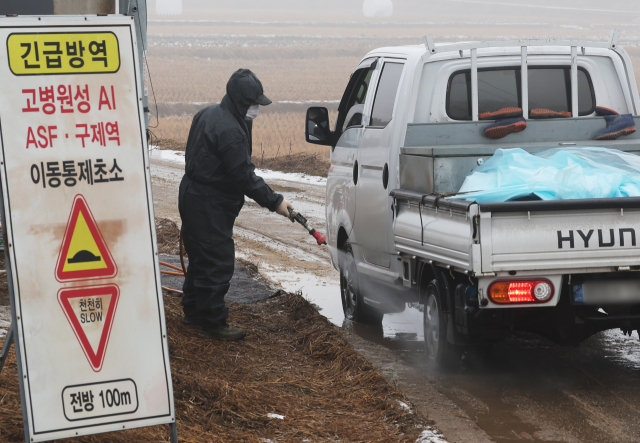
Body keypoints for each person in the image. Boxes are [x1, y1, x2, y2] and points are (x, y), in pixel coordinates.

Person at [178, 69, 294, 341]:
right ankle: (212, 322)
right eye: (253, 104)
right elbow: (244, 177)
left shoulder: (208, 113)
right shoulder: (230, 130)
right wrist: (276, 202)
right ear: (242, 102)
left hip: (193, 194)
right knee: (216, 260)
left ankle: (194, 311)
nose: (256, 109)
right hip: (209, 202)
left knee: (201, 257)